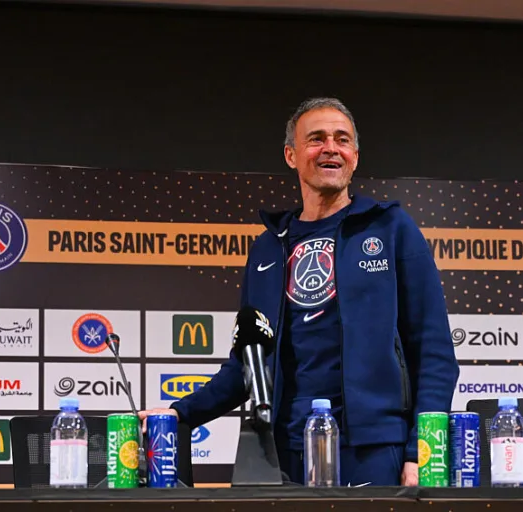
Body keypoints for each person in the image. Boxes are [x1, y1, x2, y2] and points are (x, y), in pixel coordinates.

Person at [139, 97, 459, 486]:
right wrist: (180, 412)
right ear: (291, 155)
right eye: (317, 139)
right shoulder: (268, 248)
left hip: (373, 450)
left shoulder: (391, 229)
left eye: (342, 140)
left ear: (355, 157)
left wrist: (421, 452)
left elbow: (434, 352)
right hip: (283, 451)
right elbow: (248, 364)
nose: (331, 148)